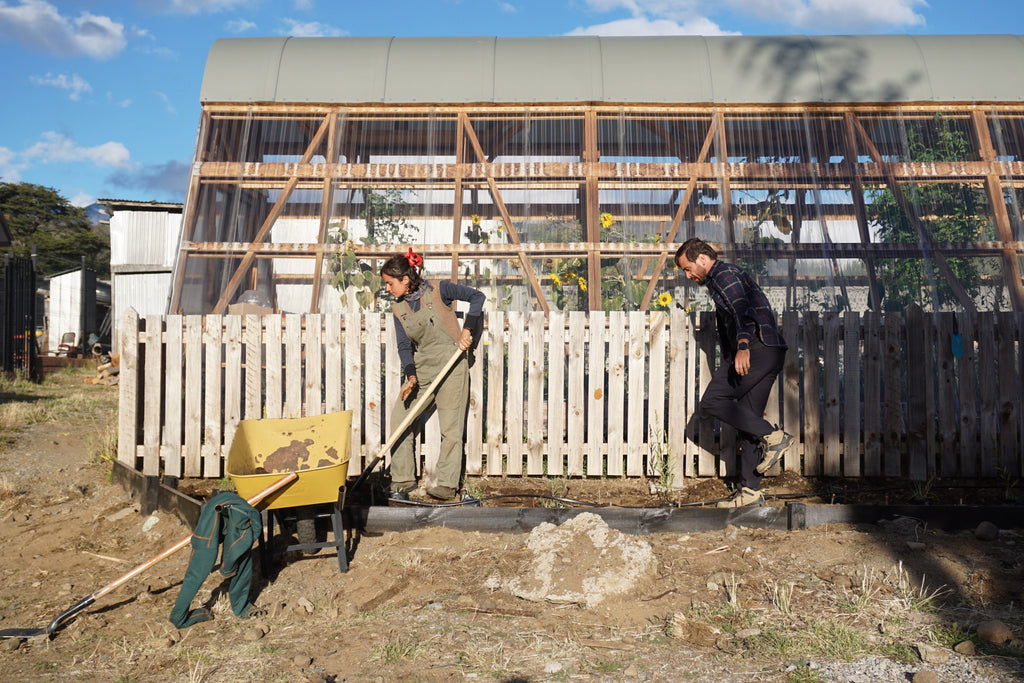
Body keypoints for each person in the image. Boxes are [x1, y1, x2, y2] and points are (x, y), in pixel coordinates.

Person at [674, 238, 794, 508]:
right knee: (748, 420)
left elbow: (743, 312)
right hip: (771, 350)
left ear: (702, 259)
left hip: (756, 348)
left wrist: (742, 346)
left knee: (713, 401)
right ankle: (751, 492)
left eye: (688, 268)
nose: (688, 275)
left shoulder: (723, 275)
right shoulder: (723, 278)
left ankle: (776, 437)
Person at [380, 248, 485, 501]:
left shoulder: (440, 290)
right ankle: (403, 480)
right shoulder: (398, 309)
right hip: (423, 367)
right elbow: (405, 346)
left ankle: (447, 486)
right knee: (400, 419)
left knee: (450, 428)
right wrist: (411, 376)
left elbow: (477, 297)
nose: (387, 289)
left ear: (405, 279)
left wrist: (467, 330)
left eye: (389, 283)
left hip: (452, 363)